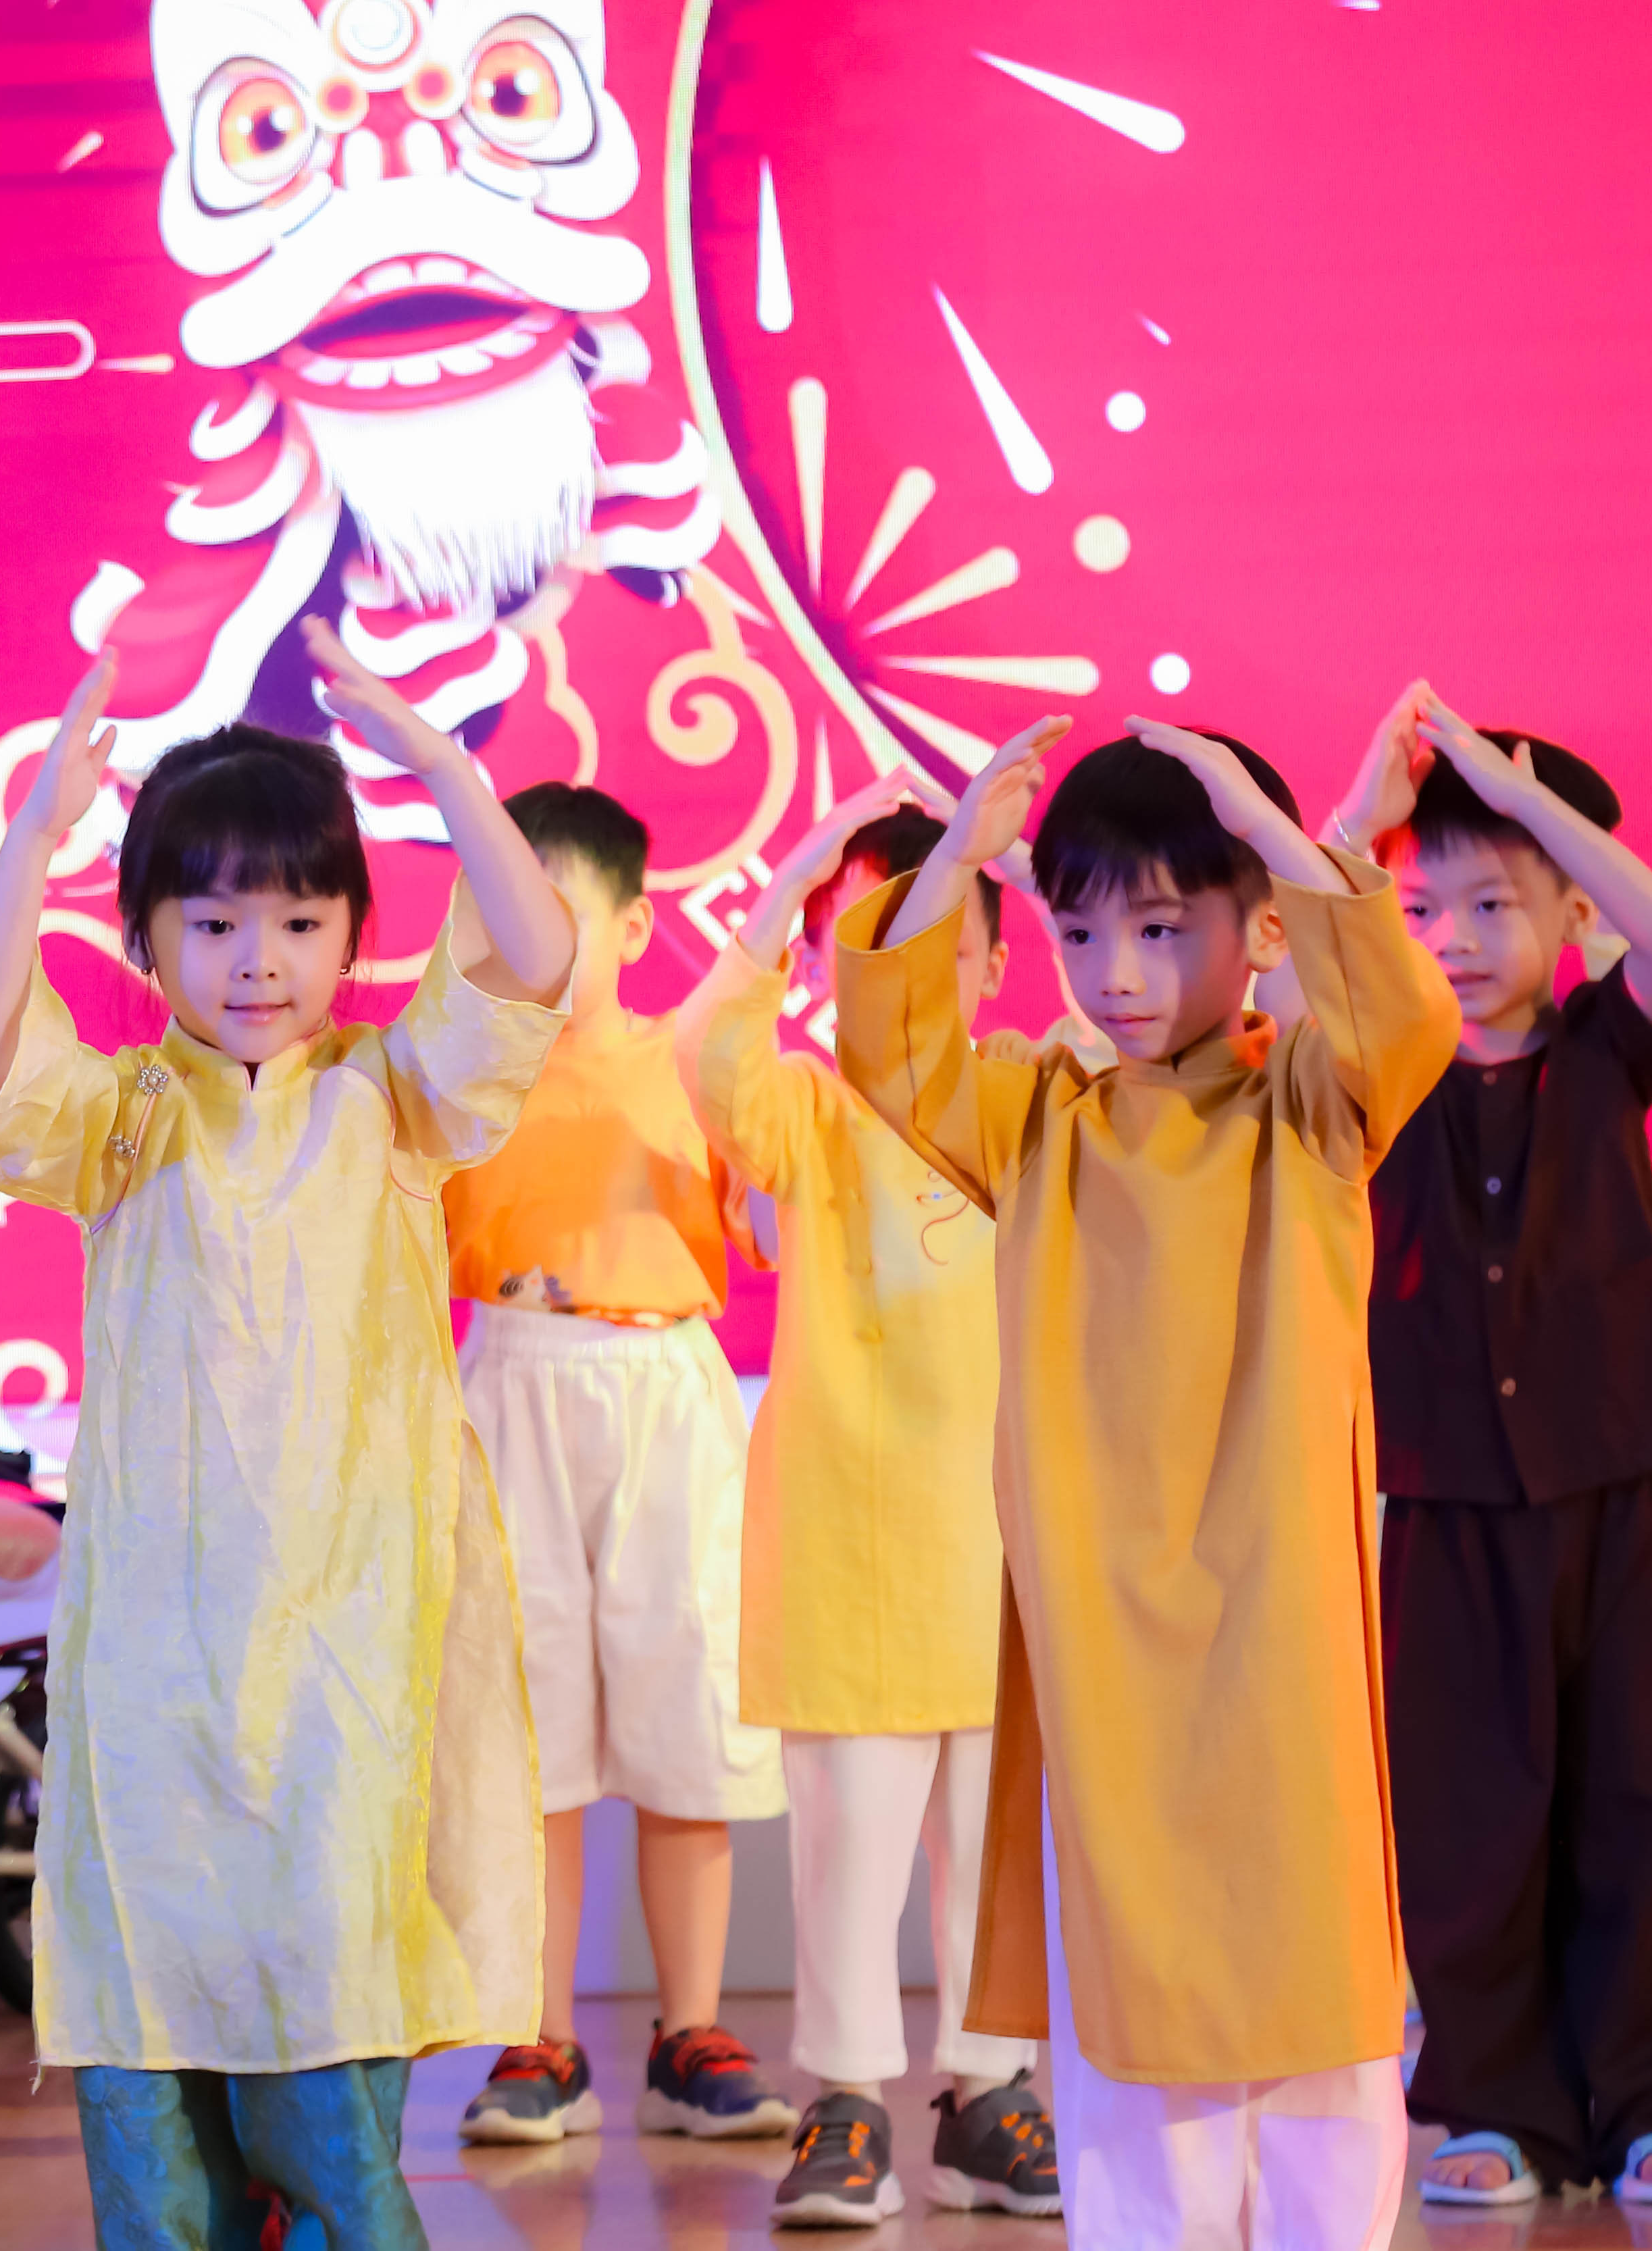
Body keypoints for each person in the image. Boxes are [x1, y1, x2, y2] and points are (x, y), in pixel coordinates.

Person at [0, 621, 573, 2250]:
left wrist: (445, 772)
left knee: (331, 1995)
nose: (258, 958)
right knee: (153, 2003)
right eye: (211, 921)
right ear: (147, 938)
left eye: (298, 917)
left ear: (355, 926)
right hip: (158, 1670)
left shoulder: (392, 1094)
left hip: (351, 1654)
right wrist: (30, 837)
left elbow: (532, 958)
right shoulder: (124, 1113)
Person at [834, 714, 1460, 2250]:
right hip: (1104, 1647)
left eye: (1164, 928)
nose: (1116, 972)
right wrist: (955, 859)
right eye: (1080, 931)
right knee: (1125, 2010)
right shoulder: (1038, 1117)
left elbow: (1403, 1020)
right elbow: (890, 1047)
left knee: (1312, 2001)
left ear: (1260, 931)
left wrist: (1280, 830)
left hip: (1279, 1636)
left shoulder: (1309, 1105)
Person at [1323, 687, 1652, 2208]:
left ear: (1570, 910)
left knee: (1639, 1795)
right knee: (1466, 1811)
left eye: (1495, 902)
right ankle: (1493, 2105)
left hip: (1617, 1472)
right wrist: (1360, 819)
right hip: (1443, 1486)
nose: (1452, 936)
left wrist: (1524, 799)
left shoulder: (1611, 1047)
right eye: (1422, 906)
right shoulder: (1381, 1068)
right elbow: (1293, 965)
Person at [661, 775, 1061, 2227]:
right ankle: (844, 2101)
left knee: (993, 1852)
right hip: (847, 1541)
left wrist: (1029, 871)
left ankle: (988, 2094)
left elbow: (1129, 1047)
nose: (899, 968)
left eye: (941, 940)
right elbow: (706, 1052)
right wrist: (789, 888)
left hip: (1005, 1547)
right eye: (864, 939)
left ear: (993, 966)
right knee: (846, 1853)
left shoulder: (1023, 1093)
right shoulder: (809, 1110)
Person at [438, 781, 791, 2153]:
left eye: (553, 915)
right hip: (508, 1378)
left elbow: (772, 1216)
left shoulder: (692, 1060)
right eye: (491, 912)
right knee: (529, 1723)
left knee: (683, 1701)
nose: (519, 942)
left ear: (634, 927)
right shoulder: (460, 1071)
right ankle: (539, 2035)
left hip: (662, 1389)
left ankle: (690, 2028)